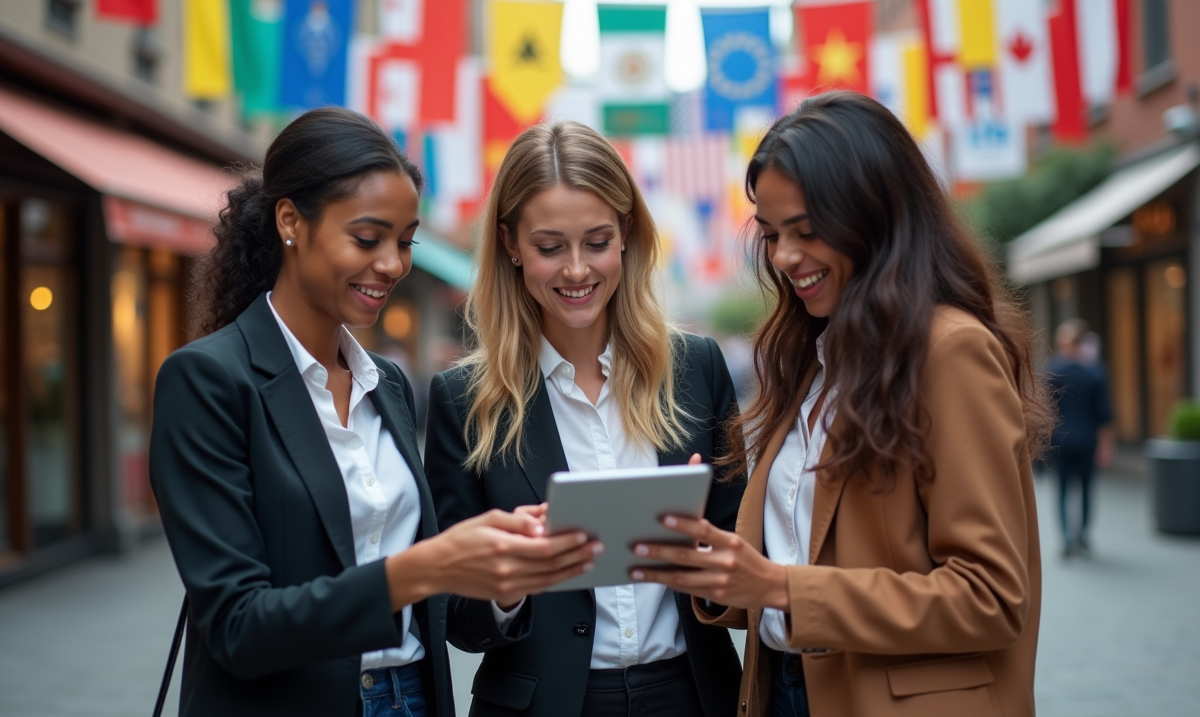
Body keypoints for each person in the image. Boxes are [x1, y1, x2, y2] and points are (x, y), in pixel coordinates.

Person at [149, 108, 597, 717]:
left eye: (405, 241)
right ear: (290, 222)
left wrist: (505, 577)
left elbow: (431, 602)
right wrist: (419, 568)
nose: (393, 263)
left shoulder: (383, 381)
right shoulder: (208, 380)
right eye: (367, 238)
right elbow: (238, 626)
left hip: (413, 696)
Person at [630, 91, 1052, 717]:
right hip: (787, 691)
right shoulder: (816, 357)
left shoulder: (951, 350)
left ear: (876, 214)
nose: (784, 257)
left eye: (806, 230)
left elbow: (989, 596)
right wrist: (717, 569)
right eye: (772, 235)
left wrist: (779, 585)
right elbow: (808, 552)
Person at [423, 121, 745, 717]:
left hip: (692, 696)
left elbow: (747, 569)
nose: (576, 270)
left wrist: (708, 554)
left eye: (596, 242)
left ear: (626, 234)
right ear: (511, 244)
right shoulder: (464, 398)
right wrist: (509, 583)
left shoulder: (696, 369)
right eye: (550, 247)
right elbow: (452, 613)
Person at [1045, 318, 1115, 557]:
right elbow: (1104, 416)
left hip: (1060, 440)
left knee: (1062, 490)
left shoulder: (1051, 371)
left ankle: (1066, 538)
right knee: (1086, 489)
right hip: (1087, 441)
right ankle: (1082, 536)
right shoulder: (1095, 372)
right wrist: (1106, 447)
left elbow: (1044, 411)